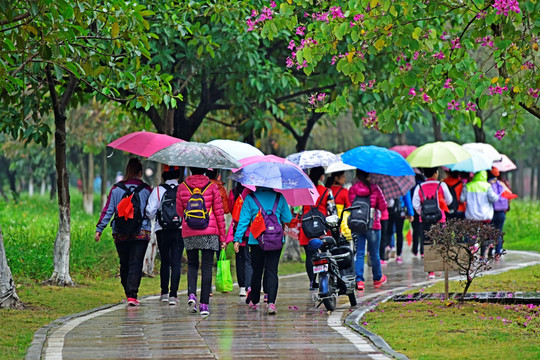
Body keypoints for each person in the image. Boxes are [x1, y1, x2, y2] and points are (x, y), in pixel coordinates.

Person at [95, 158, 152, 306]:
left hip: (120, 232)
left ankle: (129, 294)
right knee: (136, 263)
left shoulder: (116, 189)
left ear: (127, 170)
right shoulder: (147, 189)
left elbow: (108, 210)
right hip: (141, 232)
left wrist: (99, 229)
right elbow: (151, 211)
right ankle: (132, 295)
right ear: (140, 172)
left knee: (124, 263)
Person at [176, 167, 226, 316]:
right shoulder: (212, 187)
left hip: (189, 231)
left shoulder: (182, 187)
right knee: (206, 267)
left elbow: (179, 211)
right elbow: (219, 212)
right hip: (209, 232)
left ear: (190, 170)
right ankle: (204, 305)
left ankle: (192, 294)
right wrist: (222, 237)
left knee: (192, 265)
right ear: (205, 170)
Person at [233, 187, 292, 314]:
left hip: (256, 241)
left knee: (257, 271)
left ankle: (255, 302)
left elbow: (243, 221)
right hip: (276, 240)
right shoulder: (279, 197)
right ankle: (271, 303)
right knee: (272, 271)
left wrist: (237, 239)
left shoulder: (250, 198)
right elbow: (288, 218)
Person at [145, 165, 184, 305]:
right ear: (178, 175)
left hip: (162, 230)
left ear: (164, 175)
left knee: (165, 262)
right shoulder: (183, 190)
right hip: (180, 230)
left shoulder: (157, 190)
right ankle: (174, 295)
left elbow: (150, 212)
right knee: (176, 262)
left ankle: (164, 293)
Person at [348, 169, 388, 290]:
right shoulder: (375, 189)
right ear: (369, 175)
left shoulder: (353, 189)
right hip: (373, 225)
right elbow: (383, 206)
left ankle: (359, 281)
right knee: (374, 253)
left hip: (357, 224)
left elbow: (351, 205)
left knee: (359, 253)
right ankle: (377, 279)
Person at [298, 166, 336, 290]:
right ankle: (324, 277)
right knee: (324, 253)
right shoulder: (326, 191)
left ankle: (312, 281)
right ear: (321, 176)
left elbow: (296, 210)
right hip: (322, 229)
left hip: (306, 229)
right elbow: (332, 211)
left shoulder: (304, 191)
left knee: (310, 256)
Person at [412, 167, 453, 279]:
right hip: (440, 219)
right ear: (435, 173)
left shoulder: (419, 187)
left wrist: (423, 213)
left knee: (428, 243)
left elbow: (415, 204)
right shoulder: (442, 185)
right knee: (440, 242)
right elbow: (449, 201)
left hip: (425, 220)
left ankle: (431, 272)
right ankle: (439, 266)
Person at [460, 169, 499, 259]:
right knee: (484, 236)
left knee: (471, 235)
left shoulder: (468, 186)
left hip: (471, 216)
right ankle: (482, 256)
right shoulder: (487, 186)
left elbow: (462, 199)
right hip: (484, 216)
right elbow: (494, 199)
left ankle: (470, 253)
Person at [228, 182, 253, 297]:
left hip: (239, 230)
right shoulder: (254, 194)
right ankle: (250, 286)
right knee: (250, 260)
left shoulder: (235, 194)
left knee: (240, 259)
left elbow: (231, 209)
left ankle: (242, 287)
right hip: (253, 232)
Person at [488, 167, 510, 259]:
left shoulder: (488, 184)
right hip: (501, 212)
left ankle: (489, 250)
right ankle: (498, 253)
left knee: (489, 232)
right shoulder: (502, 184)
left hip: (491, 212)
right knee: (499, 232)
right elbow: (509, 194)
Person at [386, 193, 414, 264]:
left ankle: (388, 247)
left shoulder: (387, 184)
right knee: (399, 233)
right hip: (400, 210)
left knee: (389, 231)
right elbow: (407, 200)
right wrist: (411, 213)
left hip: (389, 209)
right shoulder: (403, 185)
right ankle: (399, 256)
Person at [410, 171, 426, 257]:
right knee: (422, 230)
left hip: (414, 209)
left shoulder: (410, 184)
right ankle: (423, 251)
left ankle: (415, 249)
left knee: (415, 230)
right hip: (424, 209)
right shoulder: (423, 184)